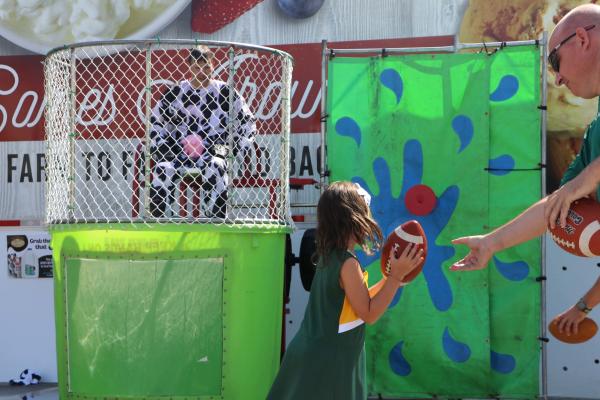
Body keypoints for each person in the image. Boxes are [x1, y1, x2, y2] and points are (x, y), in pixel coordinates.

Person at [451, 4, 600, 338]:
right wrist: (492, 242)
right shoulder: (596, 130)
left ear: (581, 38)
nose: (557, 78)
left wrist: (588, 179)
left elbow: (580, 185)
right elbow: (557, 203)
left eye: (554, 61)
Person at [267, 181, 423, 400]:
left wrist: (392, 280)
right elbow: (368, 313)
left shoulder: (330, 255)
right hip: (328, 360)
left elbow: (359, 301)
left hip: (317, 353)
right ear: (353, 219)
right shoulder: (348, 264)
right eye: (366, 213)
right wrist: (395, 277)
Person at [148, 45, 256, 218]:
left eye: (206, 67)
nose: (202, 72)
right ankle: (160, 218)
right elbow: (156, 122)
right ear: (190, 67)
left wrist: (234, 147)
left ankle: (216, 215)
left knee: (217, 165)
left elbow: (248, 122)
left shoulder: (225, 92)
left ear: (213, 65)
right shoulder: (176, 92)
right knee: (162, 168)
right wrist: (162, 147)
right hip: (180, 152)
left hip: (216, 149)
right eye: (197, 67)